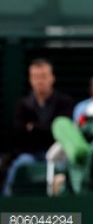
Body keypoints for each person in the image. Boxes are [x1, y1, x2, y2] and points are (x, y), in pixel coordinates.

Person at [2, 59, 74, 196]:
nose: (40, 81)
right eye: (35, 77)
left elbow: (62, 132)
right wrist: (48, 128)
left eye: (43, 76)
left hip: (57, 154)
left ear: (52, 78)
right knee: (17, 167)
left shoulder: (65, 102)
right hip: (30, 154)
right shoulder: (22, 104)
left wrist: (33, 127)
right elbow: (19, 133)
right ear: (30, 79)